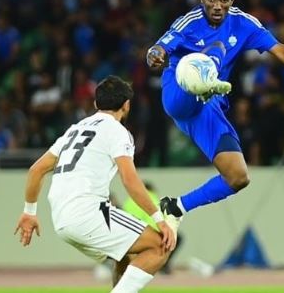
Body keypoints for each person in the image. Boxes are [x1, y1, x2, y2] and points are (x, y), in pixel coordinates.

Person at [146, 0, 284, 223]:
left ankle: (176, 207)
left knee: (238, 176)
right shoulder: (189, 22)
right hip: (178, 93)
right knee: (199, 63)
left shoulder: (244, 23)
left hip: (207, 106)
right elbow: (158, 48)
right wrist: (155, 55)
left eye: (223, 0)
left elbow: (280, 50)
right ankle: (204, 83)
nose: (217, 5)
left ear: (231, 1)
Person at [15, 76, 177, 293]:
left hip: (61, 218)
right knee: (160, 246)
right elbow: (130, 180)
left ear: (95, 104)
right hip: (88, 213)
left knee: (125, 254)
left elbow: (36, 170)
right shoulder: (118, 132)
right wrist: (160, 220)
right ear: (126, 105)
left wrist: (29, 212)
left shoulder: (74, 129)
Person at [122, 181, 182, 275]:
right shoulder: (153, 198)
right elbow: (163, 218)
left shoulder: (129, 200)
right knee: (175, 238)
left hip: (129, 233)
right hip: (152, 232)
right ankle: (163, 264)